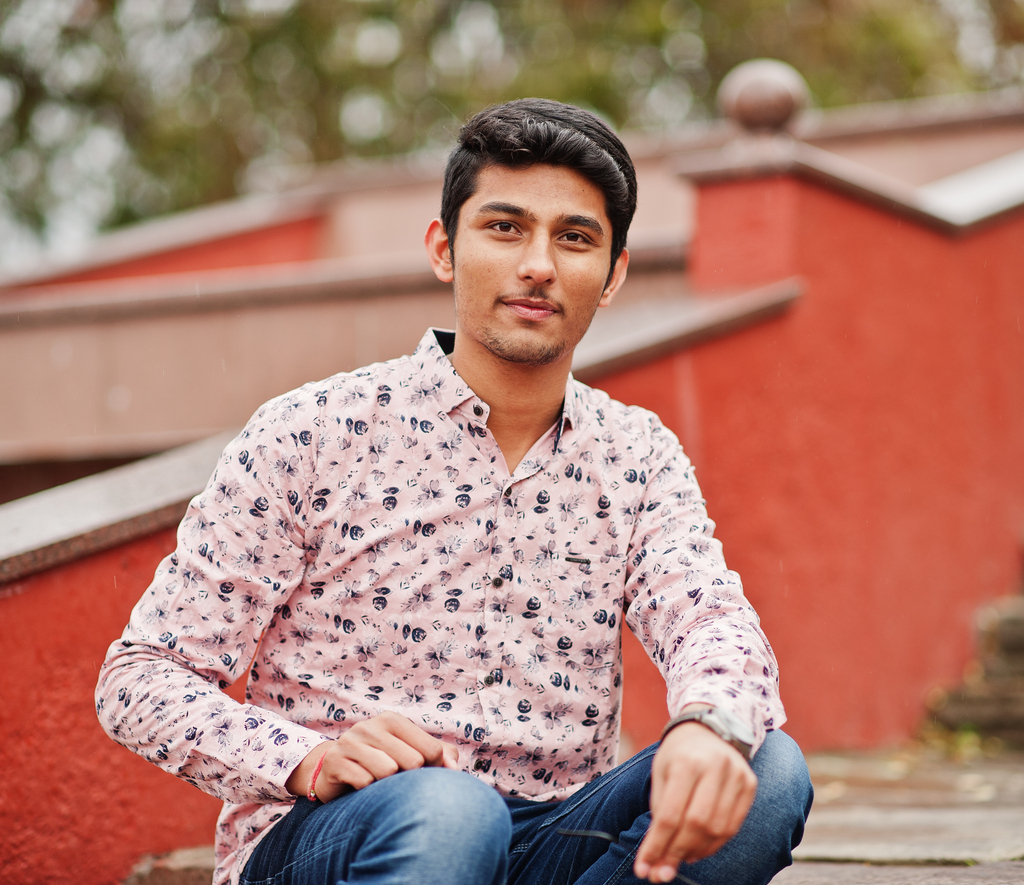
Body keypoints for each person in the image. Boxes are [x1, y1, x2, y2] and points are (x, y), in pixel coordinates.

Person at [97, 98, 812, 885]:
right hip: (341, 832)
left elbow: (709, 617)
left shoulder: (637, 455)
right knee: (451, 812)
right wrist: (308, 757)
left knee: (766, 767)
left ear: (612, 276)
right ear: (444, 249)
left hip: (551, 837)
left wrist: (711, 723)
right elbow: (141, 676)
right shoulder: (313, 431)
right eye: (505, 228)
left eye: (574, 238)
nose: (538, 264)